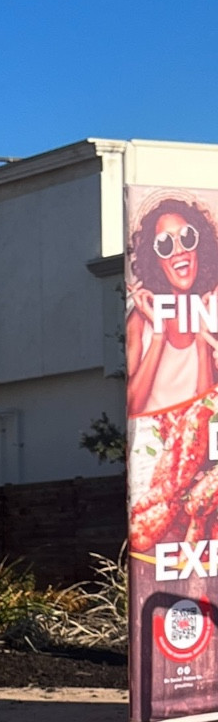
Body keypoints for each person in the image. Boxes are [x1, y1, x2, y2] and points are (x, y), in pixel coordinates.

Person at [126, 194, 218, 553]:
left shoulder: (210, 309)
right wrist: (160, 333)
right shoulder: (140, 319)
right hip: (158, 456)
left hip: (200, 450)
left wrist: (200, 341)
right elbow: (135, 401)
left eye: (187, 238)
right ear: (154, 257)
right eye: (165, 244)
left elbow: (205, 403)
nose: (179, 251)